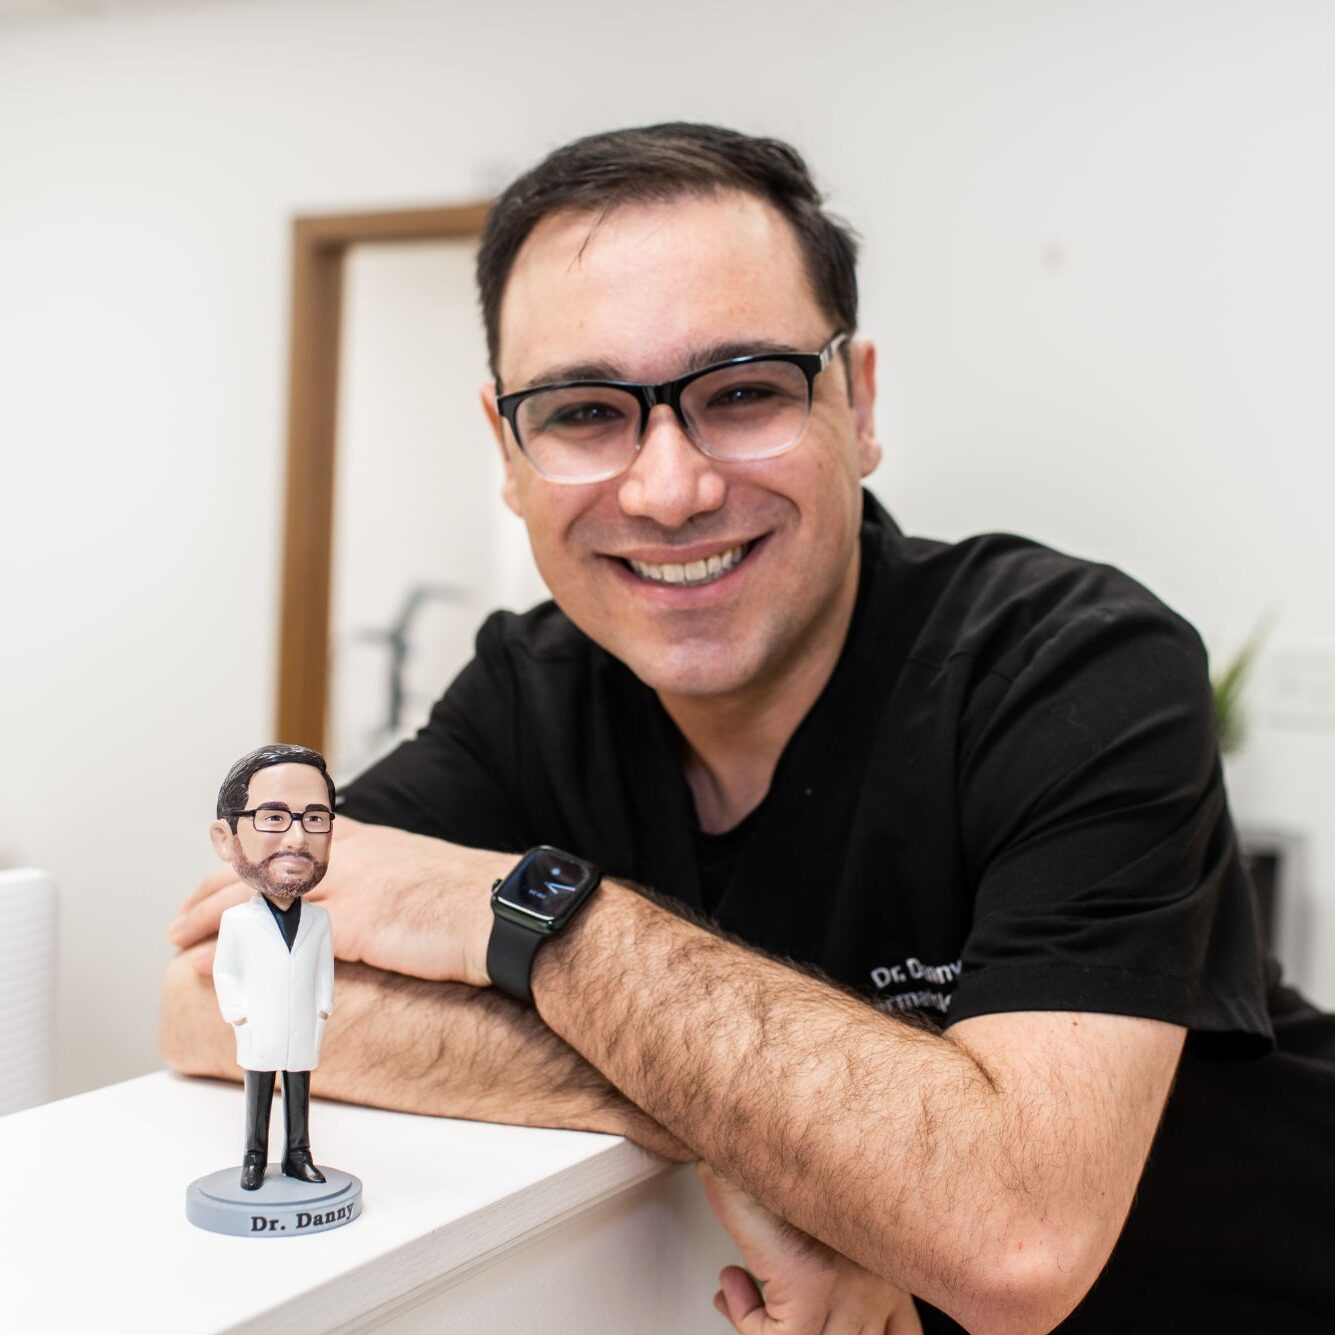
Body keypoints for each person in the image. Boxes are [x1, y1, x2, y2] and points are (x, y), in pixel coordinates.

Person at [164, 124, 1335, 1332]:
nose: (669, 490)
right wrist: (801, 1155)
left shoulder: (1073, 664)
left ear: (859, 404)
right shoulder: (532, 688)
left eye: (742, 392)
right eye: (581, 412)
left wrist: (507, 914)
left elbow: (1013, 1232)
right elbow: (217, 995)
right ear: (508, 452)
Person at [209, 744, 336, 1191]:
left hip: (303, 1024)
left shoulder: (320, 919)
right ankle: (254, 1157)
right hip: (258, 1026)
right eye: (274, 817)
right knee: (258, 1092)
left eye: (315, 819)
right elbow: (225, 972)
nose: (298, 838)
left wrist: (323, 1009)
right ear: (227, 839)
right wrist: (239, 1016)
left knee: (299, 1091)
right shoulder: (236, 921)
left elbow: (324, 971)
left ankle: (299, 1154)